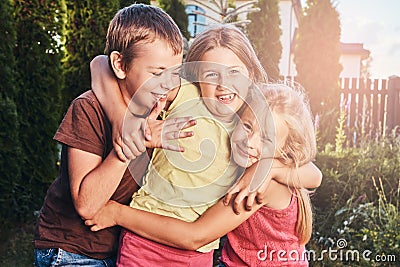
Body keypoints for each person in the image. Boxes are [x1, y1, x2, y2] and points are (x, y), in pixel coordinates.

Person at [89, 24, 321, 266]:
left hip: (196, 250)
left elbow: (313, 174)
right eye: (211, 74)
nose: (223, 84)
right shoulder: (194, 100)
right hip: (150, 247)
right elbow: (100, 64)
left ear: (250, 74)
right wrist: (120, 120)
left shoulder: (259, 134)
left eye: (234, 72)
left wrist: (271, 168)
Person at [33, 4, 195, 266]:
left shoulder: (159, 103)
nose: (168, 84)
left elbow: (99, 63)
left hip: (120, 247)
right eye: (156, 73)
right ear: (120, 64)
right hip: (70, 248)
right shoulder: (88, 109)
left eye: (175, 73)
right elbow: (87, 205)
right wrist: (130, 145)